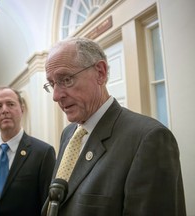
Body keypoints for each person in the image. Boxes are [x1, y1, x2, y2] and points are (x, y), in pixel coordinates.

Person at [42, 37, 186, 216]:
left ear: (100, 73)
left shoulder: (149, 138)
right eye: (52, 83)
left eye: (66, 79)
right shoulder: (68, 134)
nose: (56, 96)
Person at [0, 86, 56, 216]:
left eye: (10, 104)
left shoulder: (43, 153)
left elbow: (47, 205)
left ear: (22, 109)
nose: (4, 110)